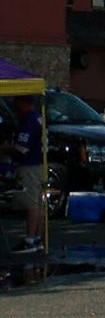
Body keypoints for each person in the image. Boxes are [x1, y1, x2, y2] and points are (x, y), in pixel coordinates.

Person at [4, 96, 45, 253]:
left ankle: (30, 240)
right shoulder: (39, 118)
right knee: (38, 202)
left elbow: (22, 147)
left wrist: (5, 149)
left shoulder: (29, 120)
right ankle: (37, 238)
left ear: (25, 102)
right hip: (40, 162)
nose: (14, 104)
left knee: (31, 202)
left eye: (17, 101)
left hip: (29, 164)